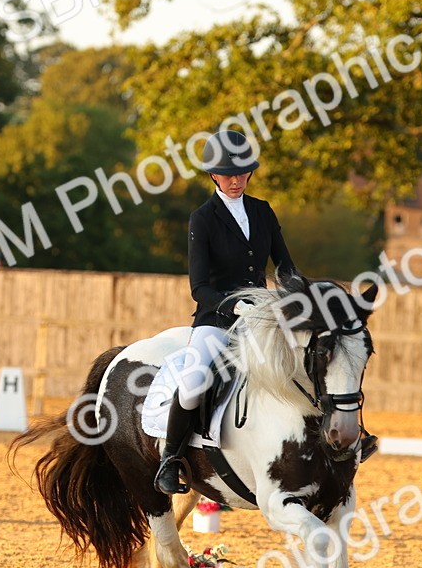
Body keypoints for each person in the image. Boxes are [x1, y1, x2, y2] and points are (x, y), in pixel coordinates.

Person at [153, 131, 375, 495]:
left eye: (242, 173)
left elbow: (286, 268)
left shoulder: (262, 210)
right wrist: (236, 304)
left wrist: (306, 297)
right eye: (229, 174)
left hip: (264, 318)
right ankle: (171, 458)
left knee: (322, 361)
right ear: (214, 175)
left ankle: (350, 437)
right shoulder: (202, 219)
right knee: (193, 384)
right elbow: (199, 288)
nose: (237, 180)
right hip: (219, 319)